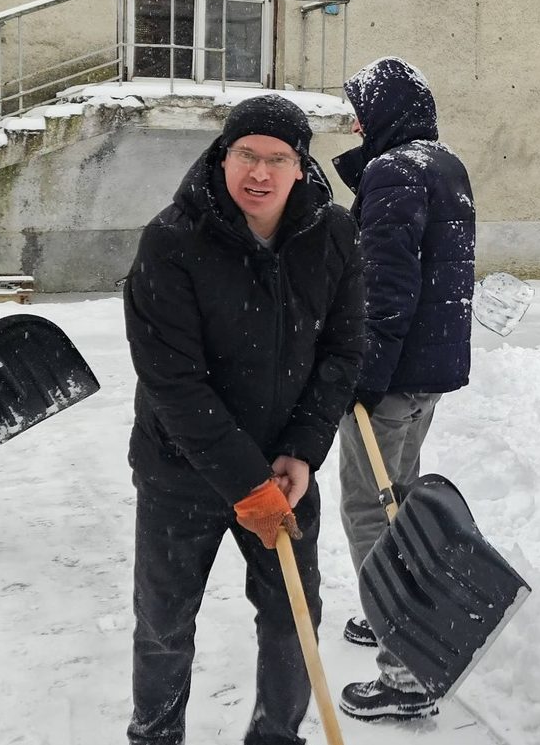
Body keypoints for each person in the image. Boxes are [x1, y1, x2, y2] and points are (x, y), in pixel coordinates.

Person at [123, 94, 364, 745]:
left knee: (293, 619)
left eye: (277, 158)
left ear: (300, 166)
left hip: (284, 472)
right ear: (222, 156)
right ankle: (155, 735)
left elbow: (343, 350)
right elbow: (172, 381)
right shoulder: (172, 240)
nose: (259, 172)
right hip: (181, 472)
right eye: (246, 154)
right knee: (165, 624)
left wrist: (302, 450)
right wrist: (243, 481)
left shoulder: (333, 234)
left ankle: (276, 736)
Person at [329, 56, 475, 721]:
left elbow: (387, 289)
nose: (357, 124)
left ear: (386, 111)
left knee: (370, 507)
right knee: (399, 499)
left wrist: (362, 378)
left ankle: (407, 665)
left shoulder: (395, 172)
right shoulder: (440, 164)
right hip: (426, 373)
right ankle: (389, 612)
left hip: (389, 375)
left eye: (362, 112)